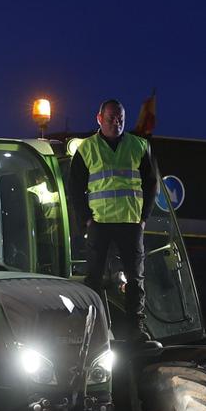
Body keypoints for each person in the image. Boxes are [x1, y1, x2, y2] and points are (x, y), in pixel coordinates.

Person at [68, 99, 156, 340]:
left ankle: (135, 328)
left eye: (120, 120)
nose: (116, 123)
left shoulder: (139, 146)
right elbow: (75, 188)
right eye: (111, 119)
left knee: (135, 278)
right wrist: (86, 219)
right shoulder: (86, 148)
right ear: (99, 119)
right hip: (100, 223)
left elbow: (152, 184)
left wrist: (143, 218)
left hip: (130, 222)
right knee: (94, 278)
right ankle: (95, 328)